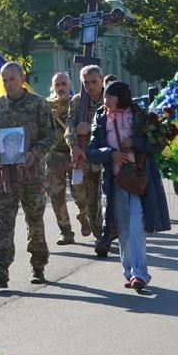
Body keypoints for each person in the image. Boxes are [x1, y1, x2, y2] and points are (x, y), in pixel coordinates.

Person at [86, 81, 171, 291]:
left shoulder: (141, 115)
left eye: (110, 97)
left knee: (135, 228)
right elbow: (91, 152)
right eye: (105, 97)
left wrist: (134, 142)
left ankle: (140, 273)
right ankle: (129, 271)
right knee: (123, 230)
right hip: (116, 183)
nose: (105, 101)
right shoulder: (100, 117)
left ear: (122, 97)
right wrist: (110, 154)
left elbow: (158, 143)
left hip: (140, 181)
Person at [0, 61, 54, 288]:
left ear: (22, 79)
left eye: (12, 79)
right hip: (6, 175)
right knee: (2, 219)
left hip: (31, 174)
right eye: (4, 80)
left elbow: (50, 136)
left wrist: (34, 153)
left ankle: (38, 265)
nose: (8, 84)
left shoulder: (38, 104)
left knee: (34, 219)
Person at [65, 65, 107, 251]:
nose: (90, 86)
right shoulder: (77, 102)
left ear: (101, 79)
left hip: (109, 156)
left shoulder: (111, 97)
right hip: (87, 158)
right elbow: (70, 126)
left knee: (109, 199)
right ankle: (101, 238)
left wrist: (90, 128)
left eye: (94, 81)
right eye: (86, 82)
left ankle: (115, 232)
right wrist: (73, 145)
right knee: (91, 200)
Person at [44, 71, 78, 245]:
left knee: (80, 193)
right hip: (55, 156)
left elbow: (73, 131)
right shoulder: (47, 105)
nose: (61, 88)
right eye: (57, 85)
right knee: (57, 196)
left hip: (75, 155)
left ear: (70, 86)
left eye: (64, 84)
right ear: (53, 87)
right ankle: (66, 232)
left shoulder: (77, 104)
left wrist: (58, 119)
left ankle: (85, 215)